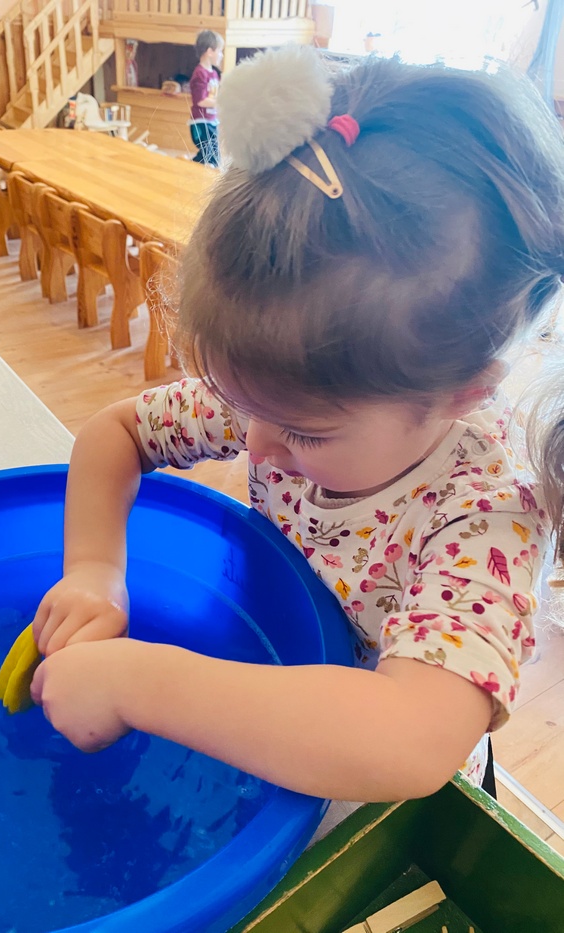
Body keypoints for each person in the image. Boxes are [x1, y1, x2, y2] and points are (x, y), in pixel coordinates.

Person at [29, 46, 564, 807]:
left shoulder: (489, 512)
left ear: (462, 395)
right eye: (245, 408)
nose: (255, 444)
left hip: (368, 791)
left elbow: (408, 742)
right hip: (262, 682)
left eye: (304, 436)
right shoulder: (285, 394)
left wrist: (135, 682)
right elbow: (114, 433)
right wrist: (93, 570)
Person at [188, 30, 223, 166]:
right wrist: (221, 103)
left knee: (209, 155)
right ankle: (192, 167)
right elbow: (201, 101)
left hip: (211, 121)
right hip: (201, 123)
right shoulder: (200, 74)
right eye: (219, 51)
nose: (221, 55)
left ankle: (192, 166)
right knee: (211, 156)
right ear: (210, 52)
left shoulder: (214, 74)